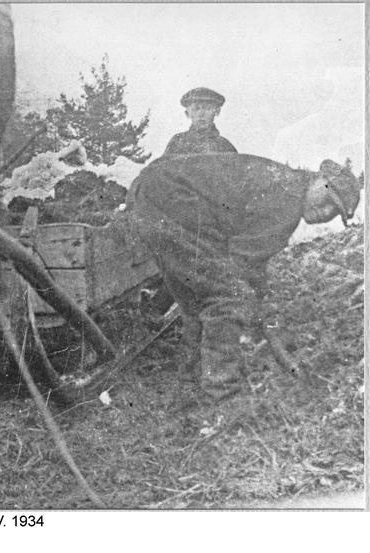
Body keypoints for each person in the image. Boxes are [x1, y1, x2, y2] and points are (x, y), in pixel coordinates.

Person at [127, 153, 360, 401]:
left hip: (147, 197)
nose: (325, 212)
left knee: (196, 300)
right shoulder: (287, 200)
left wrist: (256, 296)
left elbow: (250, 259)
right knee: (226, 296)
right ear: (319, 180)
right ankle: (222, 392)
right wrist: (256, 303)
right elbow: (242, 263)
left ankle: (191, 382)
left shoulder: (285, 184)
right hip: (171, 200)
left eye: (334, 212)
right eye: (328, 200)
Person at [163, 87, 237, 155]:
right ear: (187, 114)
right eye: (196, 109)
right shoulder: (178, 142)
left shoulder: (225, 146)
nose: (201, 114)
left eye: (207, 108)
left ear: (217, 111)